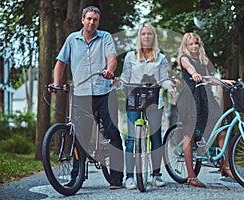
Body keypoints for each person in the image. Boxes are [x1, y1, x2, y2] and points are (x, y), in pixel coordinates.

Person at [50, 6, 124, 189]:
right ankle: (77, 177)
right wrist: (56, 84)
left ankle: (116, 178)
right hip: (81, 95)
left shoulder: (105, 37)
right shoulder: (72, 40)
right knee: (79, 137)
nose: (92, 22)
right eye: (89, 18)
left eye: (95, 20)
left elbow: (112, 57)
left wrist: (110, 70)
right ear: (82, 19)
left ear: (98, 22)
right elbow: (60, 63)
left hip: (104, 93)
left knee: (112, 133)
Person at [119, 23, 179, 190]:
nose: (146, 36)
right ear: (140, 37)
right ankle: (129, 177)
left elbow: (164, 79)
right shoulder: (131, 56)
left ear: (154, 37)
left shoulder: (160, 57)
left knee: (155, 138)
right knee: (132, 139)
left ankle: (156, 175)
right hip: (134, 100)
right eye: (143, 34)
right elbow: (124, 78)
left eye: (149, 34)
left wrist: (171, 84)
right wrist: (117, 83)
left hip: (153, 101)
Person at [176, 32, 235, 188]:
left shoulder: (202, 60)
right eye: (191, 44)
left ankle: (225, 166)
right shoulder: (184, 58)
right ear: (186, 46)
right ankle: (191, 176)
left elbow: (209, 79)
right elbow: (189, 68)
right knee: (189, 134)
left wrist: (224, 82)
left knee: (223, 125)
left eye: (197, 43)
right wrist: (194, 73)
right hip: (190, 98)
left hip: (206, 97)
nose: (194, 46)